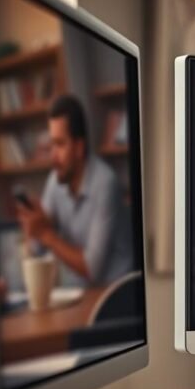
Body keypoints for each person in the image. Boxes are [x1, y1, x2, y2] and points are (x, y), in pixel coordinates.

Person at [16, 94, 132, 286]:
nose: (53, 156)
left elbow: (91, 268)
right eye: (51, 144)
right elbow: (38, 249)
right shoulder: (55, 180)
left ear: (79, 148)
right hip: (83, 294)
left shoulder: (105, 183)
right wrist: (34, 225)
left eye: (60, 144)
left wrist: (45, 234)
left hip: (117, 292)